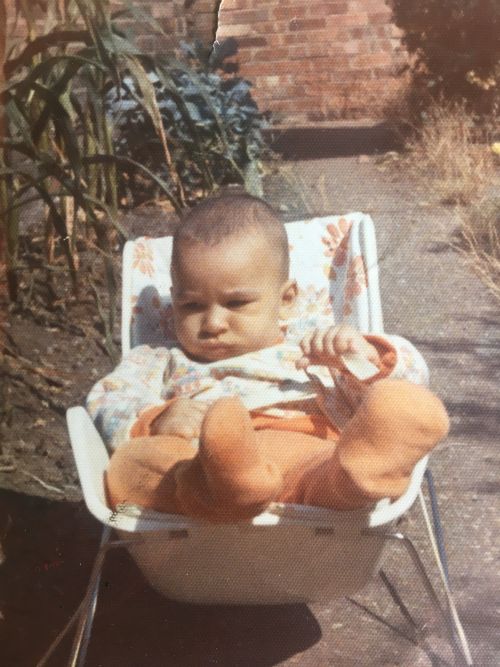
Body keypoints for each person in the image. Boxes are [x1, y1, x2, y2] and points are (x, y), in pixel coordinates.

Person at [87, 193, 449, 522]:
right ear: (173, 299)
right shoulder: (159, 360)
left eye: (236, 303)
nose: (213, 323)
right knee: (128, 468)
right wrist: (156, 418)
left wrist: (362, 359)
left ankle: (357, 472)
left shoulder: (314, 352)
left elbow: (411, 378)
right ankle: (229, 485)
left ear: (287, 299)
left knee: (342, 457)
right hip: (196, 460)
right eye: (191, 305)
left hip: (302, 455)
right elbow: (107, 399)